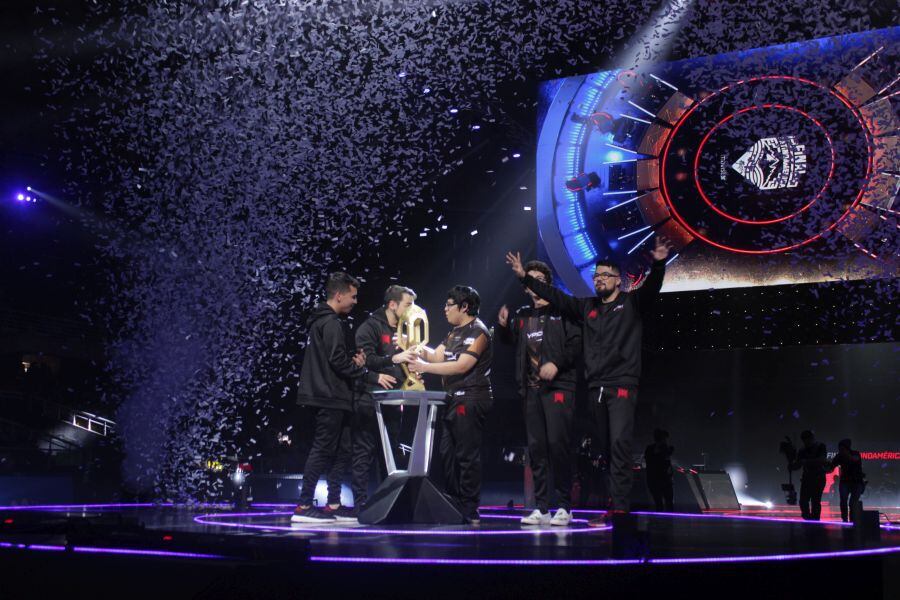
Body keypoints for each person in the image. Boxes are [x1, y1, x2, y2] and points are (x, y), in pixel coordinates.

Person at [506, 237, 671, 525]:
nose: (600, 279)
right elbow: (555, 296)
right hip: (596, 387)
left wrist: (658, 265)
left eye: (606, 275)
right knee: (605, 448)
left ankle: (621, 511)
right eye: (596, 276)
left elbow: (652, 289)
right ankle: (613, 505)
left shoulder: (631, 303)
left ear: (618, 280)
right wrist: (524, 277)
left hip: (621, 384)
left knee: (619, 444)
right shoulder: (587, 307)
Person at [292, 272, 396, 524]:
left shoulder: (325, 322)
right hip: (328, 396)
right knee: (323, 449)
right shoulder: (330, 323)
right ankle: (304, 506)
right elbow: (337, 361)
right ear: (339, 295)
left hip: (335, 396)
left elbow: (335, 360)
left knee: (342, 451)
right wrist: (368, 373)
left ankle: (333, 504)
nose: (355, 301)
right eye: (353, 296)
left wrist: (354, 364)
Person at [496, 260, 581, 526]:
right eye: (529, 280)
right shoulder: (523, 314)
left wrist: (557, 364)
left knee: (558, 445)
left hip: (558, 387)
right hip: (530, 390)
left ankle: (564, 506)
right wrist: (503, 327)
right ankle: (542, 508)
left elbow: (576, 344)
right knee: (537, 450)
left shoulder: (563, 310)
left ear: (547, 284)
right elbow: (510, 342)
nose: (534, 284)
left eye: (539, 280)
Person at [408, 285, 493, 524]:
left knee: (466, 455)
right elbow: (437, 356)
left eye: (449, 305)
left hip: (471, 398)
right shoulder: (454, 332)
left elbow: (462, 365)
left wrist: (425, 368)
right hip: (452, 398)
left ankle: (469, 507)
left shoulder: (479, 332)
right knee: (447, 453)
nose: (445, 309)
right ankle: (455, 501)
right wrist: (416, 347)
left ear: (464, 307)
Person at [351, 285, 418, 511]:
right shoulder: (369, 327)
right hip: (368, 401)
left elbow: (403, 362)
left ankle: (389, 504)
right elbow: (365, 361)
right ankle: (360, 506)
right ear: (392, 304)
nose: (412, 310)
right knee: (364, 452)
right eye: (408, 305)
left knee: (390, 453)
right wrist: (394, 359)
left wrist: (412, 371)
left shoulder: (404, 329)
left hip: (393, 401)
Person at [788, 430, 827, 521]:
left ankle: (815, 521)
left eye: (807, 439)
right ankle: (809, 519)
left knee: (815, 501)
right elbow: (798, 465)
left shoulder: (820, 446)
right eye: (804, 440)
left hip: (818, 477)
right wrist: (792, 466)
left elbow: (822, 460)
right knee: (803, 501)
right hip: (807, 478)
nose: (806, 442)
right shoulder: (802, 450)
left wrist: (805, 462)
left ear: (812, 438)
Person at [830, 438, 865, 523]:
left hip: (856, 481)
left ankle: (853, 519)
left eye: (842, 448)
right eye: (840, 449)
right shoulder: (839, 456)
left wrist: (846, 455)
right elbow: (831, 467)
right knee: (843, 500)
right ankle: (845, 519)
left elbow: (854, 459)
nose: (840, 450)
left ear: (847, 448)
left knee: (853, 502)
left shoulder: (855, 453)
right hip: (845, 481)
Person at [644, 429, 674, 512]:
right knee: (661, 503)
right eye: (664, 439)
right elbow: (652, 462)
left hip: (662, 479)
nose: (666, 441)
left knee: (666, 503)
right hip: (656, 480)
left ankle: (665, 518)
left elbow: (667, 463)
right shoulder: (652, 449)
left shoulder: (663, 449)